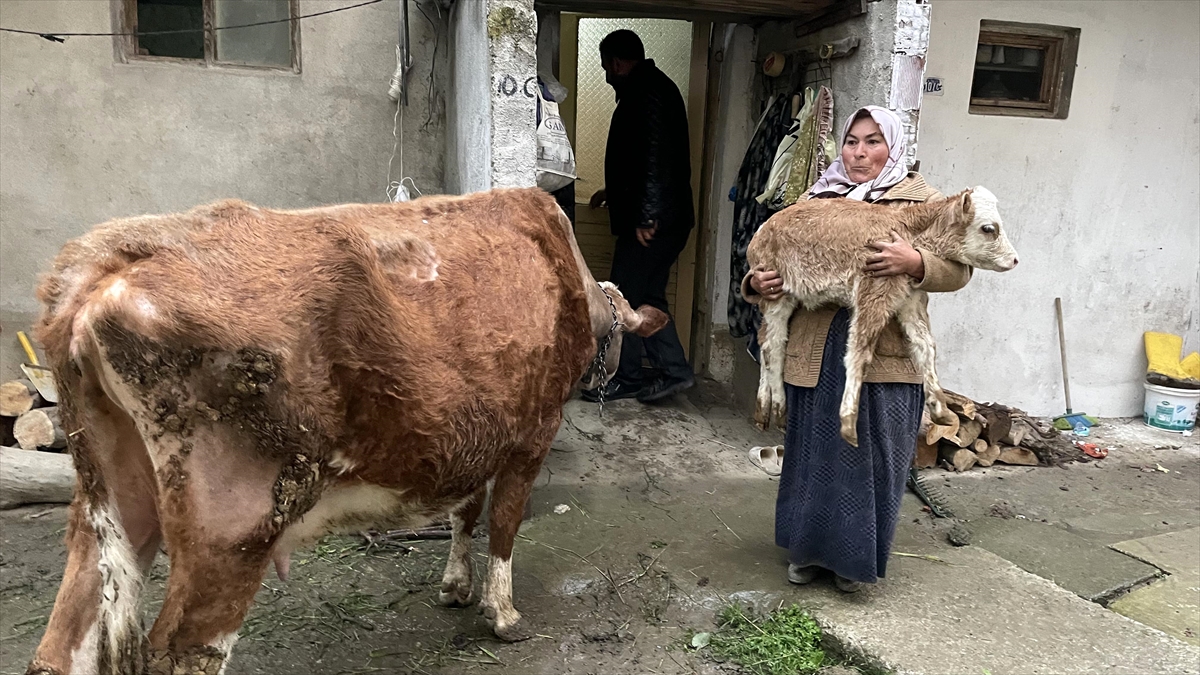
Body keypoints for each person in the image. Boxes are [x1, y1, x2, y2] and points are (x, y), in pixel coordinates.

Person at [742, 106, 973, 592]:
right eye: (851, 141)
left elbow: (961, 268)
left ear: (893, 147)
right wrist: (757, 282)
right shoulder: (815, 197)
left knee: (869, 456)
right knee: (811, 455)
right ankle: (805, 554)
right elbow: (772, 258)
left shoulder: (921, 200)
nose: (859, 153)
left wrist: (916, 262)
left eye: (873, 142)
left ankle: (852, 565)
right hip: (816, 349)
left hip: (883, 356)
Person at [581, 29, 695, 404]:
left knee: (623, 298)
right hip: (663, 218)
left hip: (655, 223)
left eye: (605, 67)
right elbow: (640, 159)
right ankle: (672, 371)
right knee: (646, 294)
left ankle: (628, 376)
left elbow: (655, 160)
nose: (606, 75)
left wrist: (647, 216)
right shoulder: (650, 89)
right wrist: (612, 194)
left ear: (615, 62)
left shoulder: (647, 93)